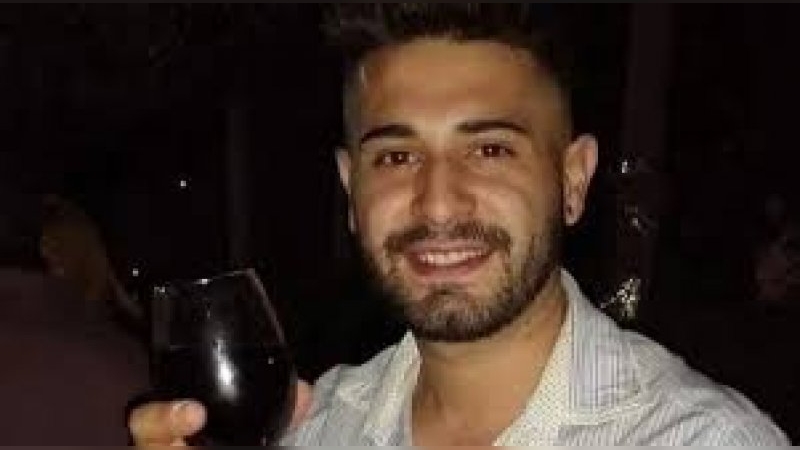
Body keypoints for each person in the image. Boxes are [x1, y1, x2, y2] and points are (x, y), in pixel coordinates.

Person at [129, 4, 789, 445]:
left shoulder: (698, 440)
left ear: (573, 180)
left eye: (490, 150)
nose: (439, 205)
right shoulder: (318, 428)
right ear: (350, 190)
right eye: (397, 157)